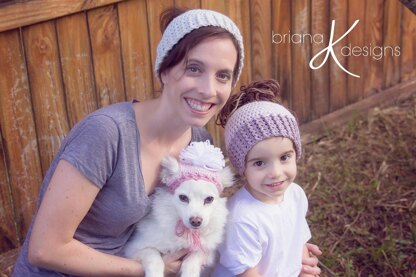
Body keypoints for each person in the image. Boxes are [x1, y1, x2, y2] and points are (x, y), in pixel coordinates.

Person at [12, 7, 320, 276]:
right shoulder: (106, 134)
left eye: (223, 76)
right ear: (164, 69)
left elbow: (209, 225)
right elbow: (45, 249)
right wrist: (148, 269)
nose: (208, 89)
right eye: (194, 68)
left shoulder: (198, 144)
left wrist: (287, 249)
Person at [212, 79, 321, 277]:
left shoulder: (295, 195)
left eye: (284, 157)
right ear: (241, 167)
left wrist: (302, 270)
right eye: (260, 163)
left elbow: (298, 241)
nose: (276, 172)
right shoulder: (241, 218)